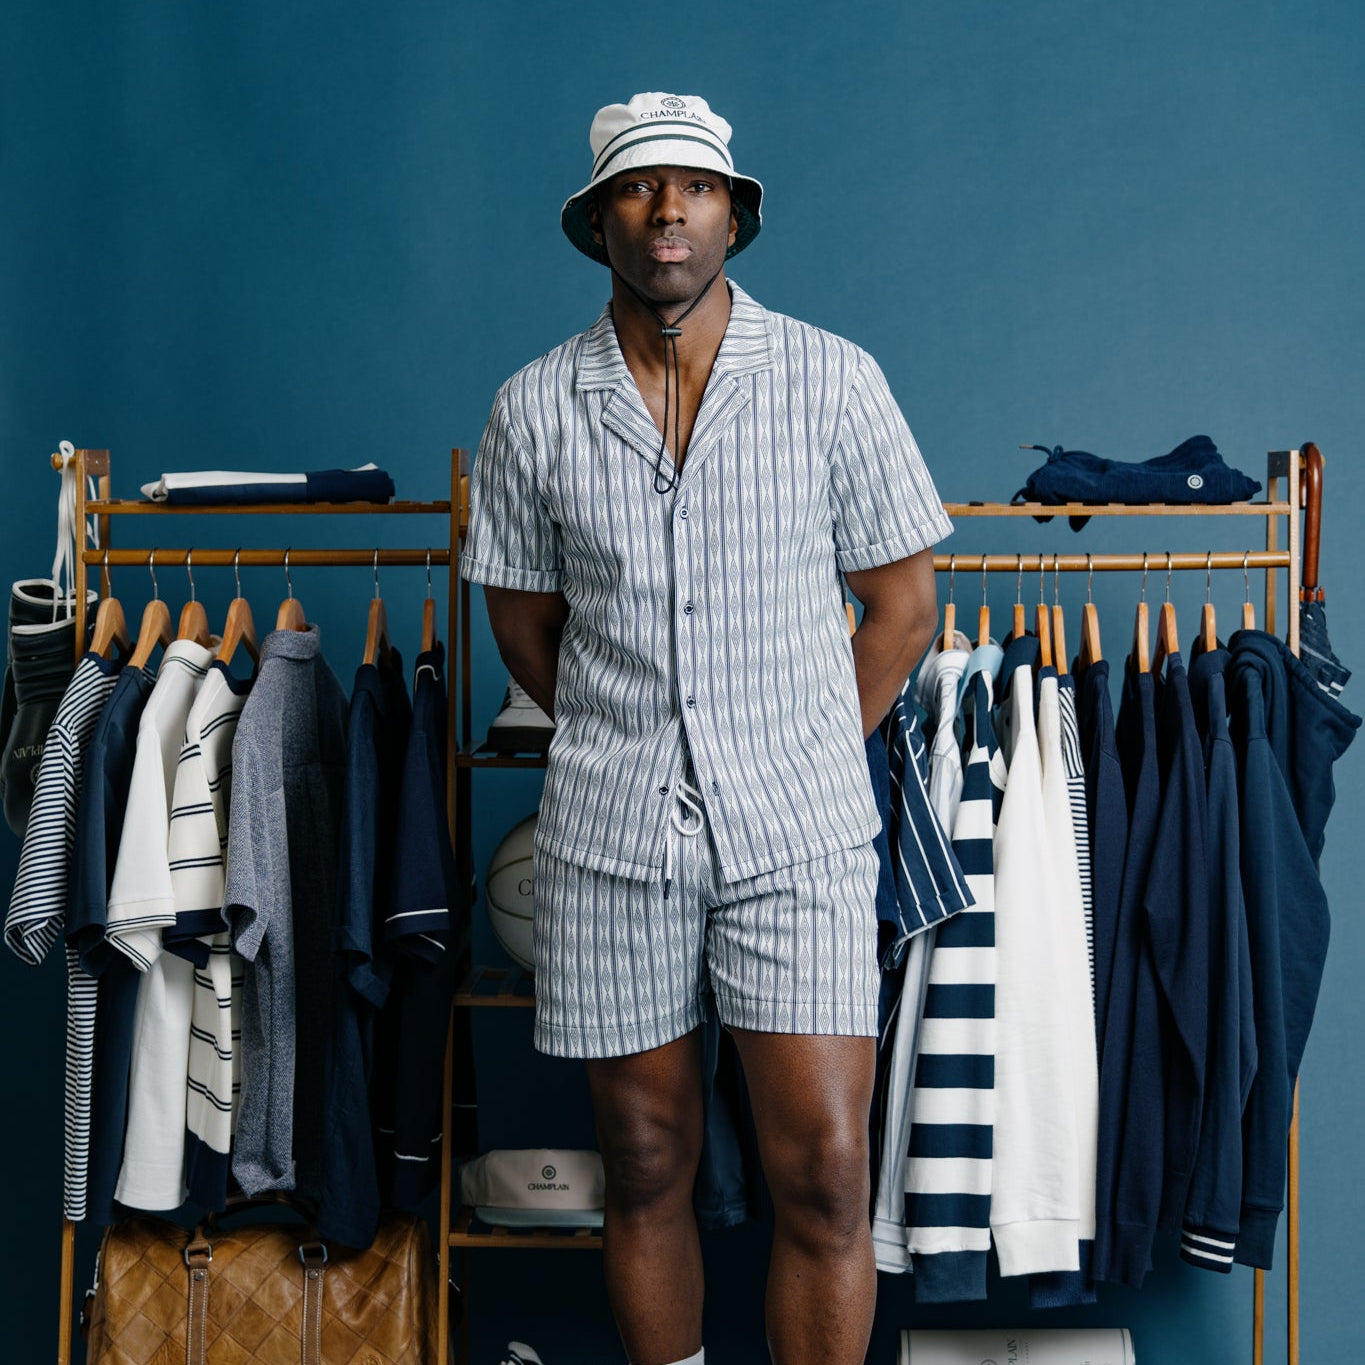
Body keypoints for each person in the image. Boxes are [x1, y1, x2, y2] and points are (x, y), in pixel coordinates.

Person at [462, 92, 953, 1365]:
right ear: (596, 226)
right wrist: (634, 740)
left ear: (734, 214)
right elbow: (524, 630)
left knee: (830, 1173)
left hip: (800, 838)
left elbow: (903, 610)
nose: (666, 209)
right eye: (637, 189)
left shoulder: (835, 380)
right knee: (643, 1161)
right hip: (611, 840)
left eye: (694, 187)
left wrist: (793, 750)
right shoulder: (533, 407)